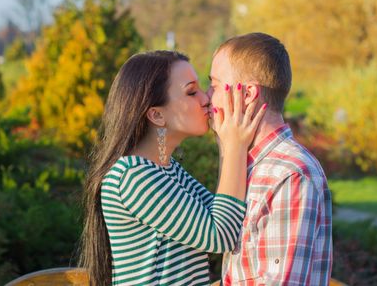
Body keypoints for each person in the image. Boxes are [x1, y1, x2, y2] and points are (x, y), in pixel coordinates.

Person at [79, 51, 266, 286]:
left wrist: (227, 144)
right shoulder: (132, 176)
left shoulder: (166, 169)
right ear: (156, 114)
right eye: (191, 92)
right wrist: (234, 145)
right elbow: (220, 236)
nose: (206, 98)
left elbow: (227, 216)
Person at [208, 33, 333, 285]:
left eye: (215, 85)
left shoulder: (289, 173)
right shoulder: (249, 164)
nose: (207, 96)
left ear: (247, 94)